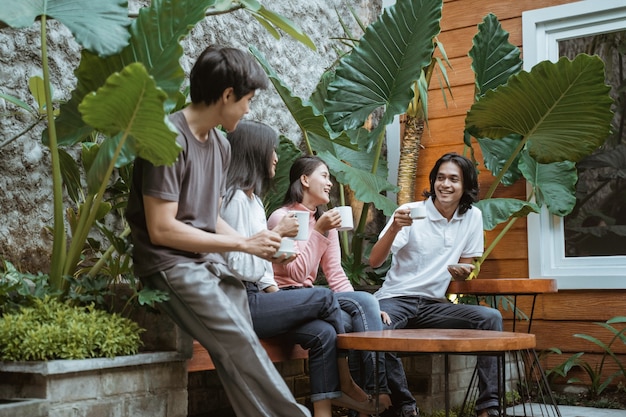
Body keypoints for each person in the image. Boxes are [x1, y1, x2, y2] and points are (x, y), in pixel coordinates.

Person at [125, 45, 310, 417]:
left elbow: (208, 216)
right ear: (227, 95)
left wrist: (258, 246)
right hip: (169, 264)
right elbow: (162, 229)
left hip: (207, 262)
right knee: (239, 341)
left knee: (234, 350)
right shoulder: (166, 139)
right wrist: (242, 242)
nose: (248, 110)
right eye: (248, 100)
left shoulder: (221, 145)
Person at [219, 120, 377, 417]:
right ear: (254, 152)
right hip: (238, 301)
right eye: (272, 151)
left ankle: (323, 413)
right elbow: (235, 262)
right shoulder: (236, 200)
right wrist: (277, 244)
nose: (277, 158)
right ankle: (346, 381)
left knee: (322, 334)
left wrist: (274, 288)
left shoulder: (254, 202)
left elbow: (264, 268)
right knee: (324, 297)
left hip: (259, 296)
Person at [368, 152, 503, 417]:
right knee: (376, 328)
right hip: (397, 300)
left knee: (491, 318)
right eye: (440, 178)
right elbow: (374, 261)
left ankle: (489, 407)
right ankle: (406, 406)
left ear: (465, 186)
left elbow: (467, 263)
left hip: (434, 306)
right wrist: (394, 228)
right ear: (433, 182)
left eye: (454, 179)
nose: (445, 184)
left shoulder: (472, 217)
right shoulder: (410, 213)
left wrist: (462, 272)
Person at [268, 155, 393, 416]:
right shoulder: (281, 218)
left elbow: (335, 274)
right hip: (286, 300)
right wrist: (318, 231)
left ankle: (371, 390)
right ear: (304, 179)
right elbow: (295, 271)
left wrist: (364, 307)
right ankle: (369, 389)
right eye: (324, 176)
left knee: (365, 310)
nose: (329, 183)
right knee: (359, 311)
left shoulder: (326, 222)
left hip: (314, 301)